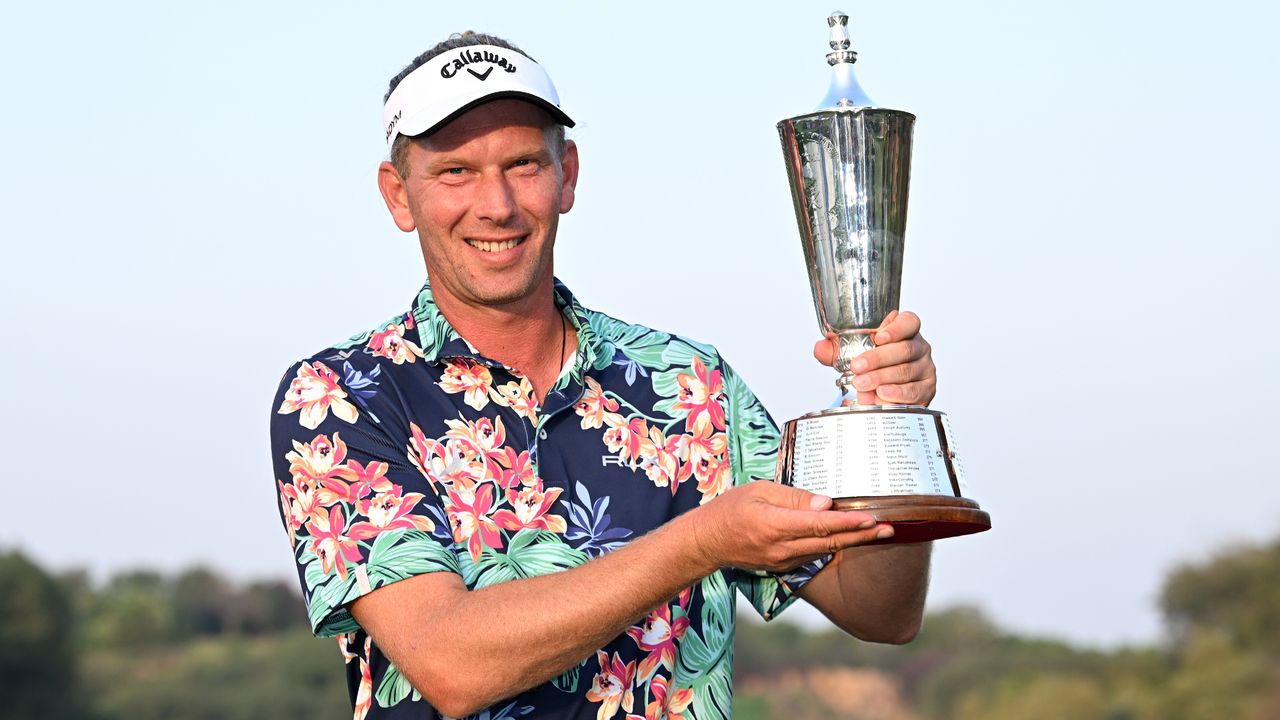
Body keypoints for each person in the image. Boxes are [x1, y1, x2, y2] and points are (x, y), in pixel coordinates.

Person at [270, 31, 936, 720]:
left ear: (569, 176)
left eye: (524, 163)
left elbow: (880, 609)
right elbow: (449, 661)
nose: (497, 204)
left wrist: (888, 420)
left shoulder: (692, 384)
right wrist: (704, 540)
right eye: (456, 172)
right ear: (399, 195)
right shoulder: (339, 398)